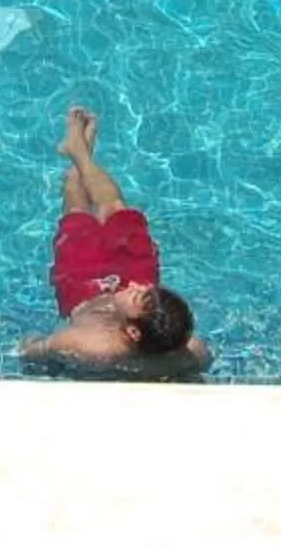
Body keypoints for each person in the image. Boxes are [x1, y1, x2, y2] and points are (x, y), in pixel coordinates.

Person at [19, 106, 209, 375]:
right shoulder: (191, 352)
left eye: (136, 295)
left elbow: (29, 351)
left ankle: (79, 154)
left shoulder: (85, 345)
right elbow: (201, 365)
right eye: (145, 290)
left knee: (77, 213)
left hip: (81, 285)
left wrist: (28, 350)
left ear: (132, 331)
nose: (133, 286)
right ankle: (81, 153)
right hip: (136, 266)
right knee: (115, 206)